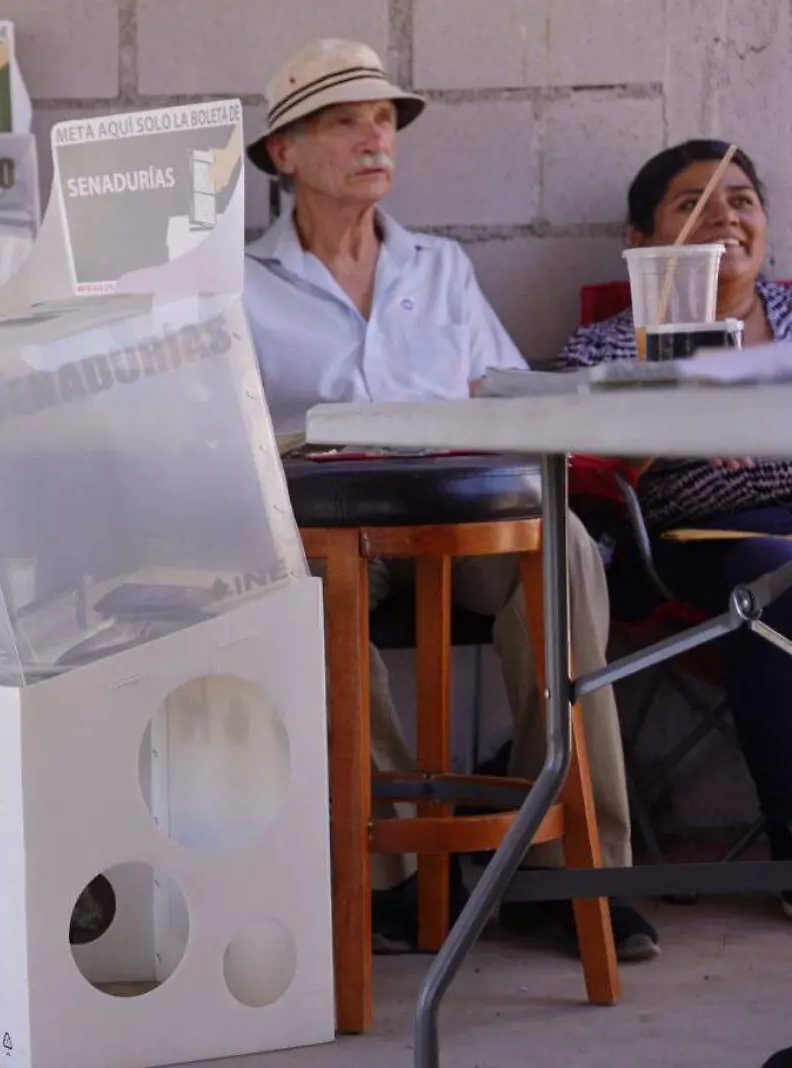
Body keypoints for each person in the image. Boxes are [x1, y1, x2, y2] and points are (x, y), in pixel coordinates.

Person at [240, 38, 658, 961]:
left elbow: (506, 394)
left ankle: (568, 869)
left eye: (384, 119)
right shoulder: (238, 283)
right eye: (343, 121)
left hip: (455, 520)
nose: (373, 137)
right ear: (283, 152)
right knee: (304, 589)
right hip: (321, 529)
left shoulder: (440, 268)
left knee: (567, 554)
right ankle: (389, 876)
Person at [556, 140, 792, 917]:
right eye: (691, 203)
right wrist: (673, 412)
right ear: (642, 242)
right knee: (774, 581)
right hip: (698, 545)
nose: (725, 215)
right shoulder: (607, 344)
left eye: (742, 199)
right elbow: (567, 454)